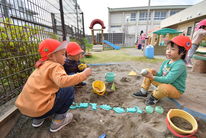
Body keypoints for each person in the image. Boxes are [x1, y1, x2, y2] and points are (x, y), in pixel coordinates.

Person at [15, 39, 92, 132]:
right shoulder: (54, 66)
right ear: (51, 56)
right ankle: (59, 120)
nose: (65, 57)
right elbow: (63, 82)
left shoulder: (40, 66)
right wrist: (84, 74)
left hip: (26, 110)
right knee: (68, 89)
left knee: (45, 92)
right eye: (63, 54)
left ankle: (38, 120)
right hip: (40, 109)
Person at [132, 35, 192, 105]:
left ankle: (154, 97)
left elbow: (169, 79)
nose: (168, 51)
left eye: (173, 49)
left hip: (175, 90)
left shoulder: (180, 65)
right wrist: (156, 73)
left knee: (163, 87)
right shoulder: (166, 62)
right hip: (165, 84)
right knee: (149, 71)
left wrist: (152, 77)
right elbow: (161, 75)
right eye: (168, 48)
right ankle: (143, 91)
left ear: (182, 52)